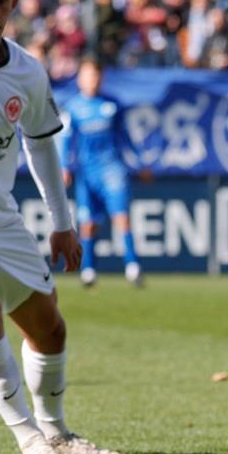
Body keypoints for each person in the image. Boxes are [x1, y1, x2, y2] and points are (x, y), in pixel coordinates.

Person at [0, 0, 120, 454]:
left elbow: (42, 143)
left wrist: (62, 224)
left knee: (50, 328)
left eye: (2, 0)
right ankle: (28, 438)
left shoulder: (25, 72)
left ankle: (56, 432)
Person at [60, 57, 145, 287]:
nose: (92, 80)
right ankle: (88, 270)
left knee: (122, 217)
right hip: (87, 173)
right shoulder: (73, 108)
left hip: (112, 169)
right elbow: (65, 141)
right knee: (88, 223)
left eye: (96, 75)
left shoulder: (112, 105)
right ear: (80, 79)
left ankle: (132, 266)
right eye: (88, 75)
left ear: (101, 78)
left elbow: (125, 138)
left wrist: (139, 162)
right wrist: (64, 167)